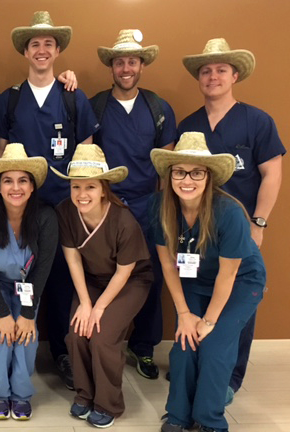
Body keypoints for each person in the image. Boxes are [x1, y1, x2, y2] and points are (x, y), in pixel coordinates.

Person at [0, 10, 98, 389]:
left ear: (57, 51)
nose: (41, 50)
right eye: (34, 44)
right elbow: (1, 153)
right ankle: (13, 347)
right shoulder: (9, 100)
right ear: (25, 51)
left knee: (61, 280)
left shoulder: (73, 98)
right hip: (20, 206)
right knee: (18, 274)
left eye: (48, 44)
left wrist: (85, 203)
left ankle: (63, 353)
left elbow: (86, 158)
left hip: (63, 205)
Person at [178, 38, 284, 404]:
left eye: (221, 69)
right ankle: (194, 367)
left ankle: (231, 379)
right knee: (195, 298)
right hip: (196, 235)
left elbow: (272, 173)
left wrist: (259, 223)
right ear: (199, 78)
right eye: (206, 71)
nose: (213, 77)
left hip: (239, 231)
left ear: (234, 74)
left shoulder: (257, 121)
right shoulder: (188, 126)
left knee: (238, 302)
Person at [152, 132, 266, 432]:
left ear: (209, 176)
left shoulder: (229, 213)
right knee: (184, 343)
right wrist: (185, 315)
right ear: (170, 175)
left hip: (241, 281)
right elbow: (167, 265)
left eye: (196, 172)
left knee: (213, 345)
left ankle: (209, 420)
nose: (186, 179)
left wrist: (209, 321)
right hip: (196, 279)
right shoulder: (161, 208)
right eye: (179, 172)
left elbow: (228, 275)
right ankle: (177, 415)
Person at [92, 29, 177, 380]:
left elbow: (167, 163)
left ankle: (142, 347)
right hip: (107, 206)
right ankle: (101, 340)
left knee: (150, 278)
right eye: (120, 62)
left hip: (147, 206)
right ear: (111, 67)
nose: (126, 68)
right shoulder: (96, 106)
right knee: (103, 273)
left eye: (132, 61)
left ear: (141, 65)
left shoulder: (158, 108)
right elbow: (88, 157)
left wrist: (163, 209)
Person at [52, 144, 151, 428]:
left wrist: (100, 308)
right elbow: (73, 260)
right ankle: (85, 394)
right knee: (76, 333)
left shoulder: (123, 220)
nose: (82, 195)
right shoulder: (65, 212)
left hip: (129, 282)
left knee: (102, 336)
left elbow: (125, 271)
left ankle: (109, 403)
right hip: (92, 281)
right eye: (75, 187)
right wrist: (85, 303)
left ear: (104, 189)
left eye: (90, 187)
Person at [0, 143, 57, 420]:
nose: (15, 188)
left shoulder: (45, 217)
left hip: (28, 287)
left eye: (22, 181)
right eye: (8, 181)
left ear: (32, 187)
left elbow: (42, 269)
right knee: (2, 335)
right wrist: (2, 312)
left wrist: (28, 314)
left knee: (27, 338)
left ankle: (20, 394)